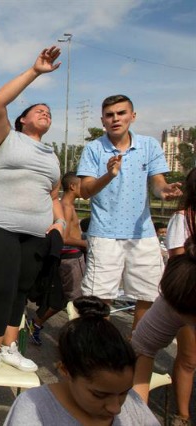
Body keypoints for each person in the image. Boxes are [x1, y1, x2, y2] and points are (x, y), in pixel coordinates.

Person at [0, 46, 65, 381]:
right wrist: (35, 71)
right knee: (0, 289)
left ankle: (10, 347)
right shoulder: (6, 138)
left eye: (49, 112)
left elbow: (54, 196)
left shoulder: (53, 156)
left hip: (36, 233)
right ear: (22, 119)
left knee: (21, 292)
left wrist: (61, 222)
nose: (45, 113)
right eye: (39, 110)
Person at [77, 94, 182, 332]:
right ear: (103, 120)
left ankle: (137, 349)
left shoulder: (149, 145)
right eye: (110, 115)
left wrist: (163, 190)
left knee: (148, 295)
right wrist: (109, 175)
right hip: (104, 233)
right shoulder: (93, 149)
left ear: (132, 116)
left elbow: (157, 181)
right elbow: (85, 190)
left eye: (121, 113)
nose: (116, 119)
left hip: (142, 234)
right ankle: (99, 352)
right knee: (98, 299)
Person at [4, 297, 160, 425]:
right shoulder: (33, 409)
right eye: (99, 395)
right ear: (66, 371)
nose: (115, 408)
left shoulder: (133, 406)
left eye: (124, 393)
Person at [132, 167, 195, 426]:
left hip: (180, 293)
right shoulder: (183, 219)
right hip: (181, 293)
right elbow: (142, 346)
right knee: (187, 358)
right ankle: (170, 415)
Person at [27, 171, 87, 345]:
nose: (86, 188)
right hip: (71, 259)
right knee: (77, 301)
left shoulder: (66, 205)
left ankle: (36, 324)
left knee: (59, 299)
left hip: (69, 259)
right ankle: (77, 339)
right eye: (82, 184)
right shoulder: (66, 207)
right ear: (73, 186)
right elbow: (65, 237)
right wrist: (85, 243)